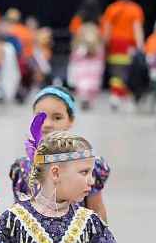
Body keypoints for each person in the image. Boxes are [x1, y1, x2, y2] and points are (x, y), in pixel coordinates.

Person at [9, 86, 110, 221]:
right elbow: (16, 214)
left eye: (57, 117)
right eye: (40, 117)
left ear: (70, 120)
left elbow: (96, 208)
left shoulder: (85, 164)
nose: (47, 124)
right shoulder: (22, 167)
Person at [100, 0, 145, 107]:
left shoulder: (111, 9)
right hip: (129, 44)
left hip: (115, 44)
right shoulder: (135, 9)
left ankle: (116, 95)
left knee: (116, 70)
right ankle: (124, 95)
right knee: (128, 70)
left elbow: (107, 28)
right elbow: (137, 28)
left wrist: (105, 43)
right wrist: (140, 45)